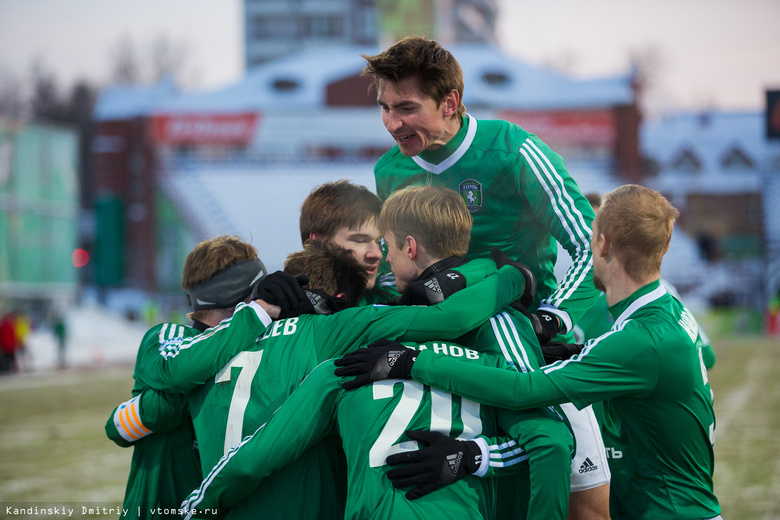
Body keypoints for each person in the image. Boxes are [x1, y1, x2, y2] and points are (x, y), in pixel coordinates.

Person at [181, 186, 573, 520]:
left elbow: (550, 440)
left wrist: (476, 455)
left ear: (410, 247)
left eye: (383, 244)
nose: (379, 257)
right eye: (362, 242)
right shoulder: (375, 322)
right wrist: (511, 275)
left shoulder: (348, 353)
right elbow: (448, 320)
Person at [339, 184, 723, 520]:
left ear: (601, 245)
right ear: (666, 244)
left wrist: (415, 361)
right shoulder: (667, 311)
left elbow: (524, 391)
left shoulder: (641, 338)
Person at [361, 37, 610, 517]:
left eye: (406, 108)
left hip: (521, 341)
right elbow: (397, 269)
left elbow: (589, 243)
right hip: (438, 343)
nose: (393, 123)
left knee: (586, 507)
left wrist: (555, 320)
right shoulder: (389, 170)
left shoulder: (512, 151)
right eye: (385, 108)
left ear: (450, 102)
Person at [108, 237, 533, 517]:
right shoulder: (181, 339)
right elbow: (121, 424)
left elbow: (132, 417)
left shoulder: (203, 349)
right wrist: (509, 273)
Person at [105, 235, 301, 518]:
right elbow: (173, 376)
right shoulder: (171, 336)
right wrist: (255, 314)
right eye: (257, 293)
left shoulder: (252, 345)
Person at [299, 179, 396, 304]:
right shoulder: (283, 300)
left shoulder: (398, 291)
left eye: (379, 242)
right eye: (360, 241)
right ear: (318, 242)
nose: (377, 254)